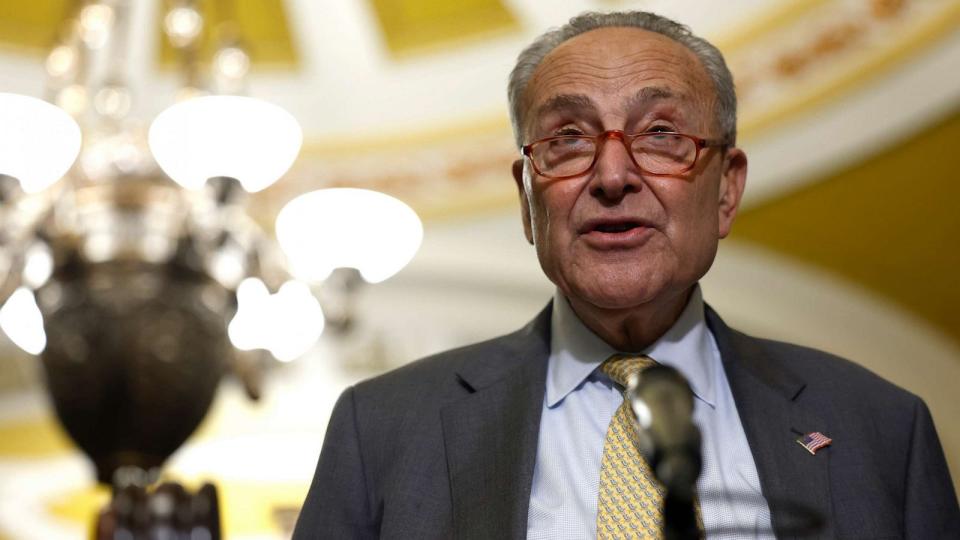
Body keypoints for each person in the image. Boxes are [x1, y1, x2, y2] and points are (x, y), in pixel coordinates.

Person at [293, 11, 959, 539]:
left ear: (726, 191)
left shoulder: (881, 428)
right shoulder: (382, 428)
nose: (613, 176)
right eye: (568, 139)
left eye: (662, 132)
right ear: (529, 198)